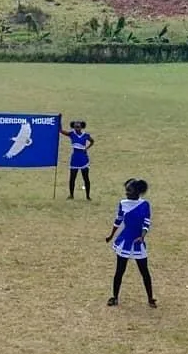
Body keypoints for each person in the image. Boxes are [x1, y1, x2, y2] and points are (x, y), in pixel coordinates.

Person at [106, 178, 156, 308]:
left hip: (138, 241)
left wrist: (142, 236)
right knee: (119, 271)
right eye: (126, 190)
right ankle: (114, 297)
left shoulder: (145, 205)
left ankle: (150, 298)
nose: (126, 193)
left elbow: (146, 223)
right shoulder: (123, 203)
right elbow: (118, 221)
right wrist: (111, 235)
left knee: (144, 272)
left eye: (129, 191)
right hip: (125, 241)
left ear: (137, 192)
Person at [60, 119, 94, 200]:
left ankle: (88, 196)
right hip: (75, 158)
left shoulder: (86, 135)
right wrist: (59, 119)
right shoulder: (71, 134)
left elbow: (92, 141)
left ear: (82, 127)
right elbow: (60, 131)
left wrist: (86, 148)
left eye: (78, 127)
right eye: (75, 127)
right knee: (72, 178)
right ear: (73, 127)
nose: (77, 128)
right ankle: (71, 195)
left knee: (86, 178)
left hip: (83, 158)